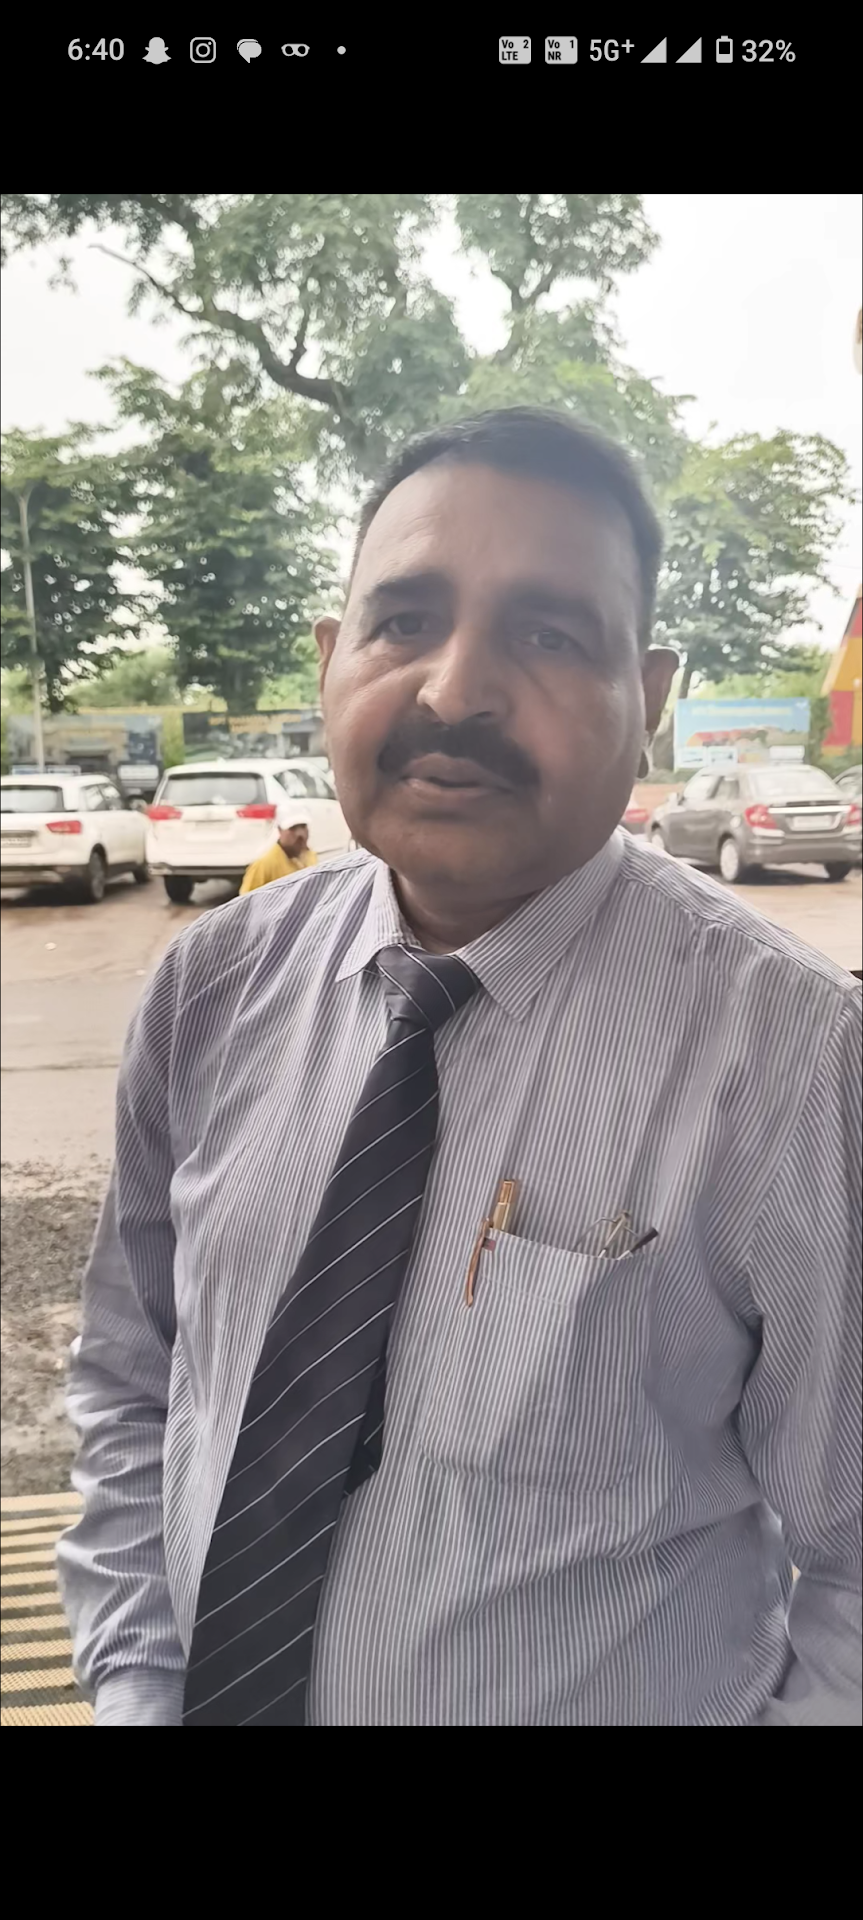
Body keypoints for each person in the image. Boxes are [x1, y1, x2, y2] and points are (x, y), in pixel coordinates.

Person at [59, 407, 861, 1727]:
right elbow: (135, 1382)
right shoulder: (210, 990)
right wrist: (140, 1683)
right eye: (403, 620)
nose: (453, 692)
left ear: (650, 697)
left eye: (547, 635)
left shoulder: (792, 1061)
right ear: (331, 658)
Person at [239, 807, 316, 895]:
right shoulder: (264, 864)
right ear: (280, 830)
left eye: (303, 826)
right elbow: (246, 899)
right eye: (293, 828)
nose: (300, 833)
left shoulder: (310, 855)